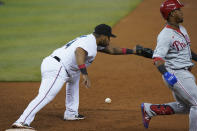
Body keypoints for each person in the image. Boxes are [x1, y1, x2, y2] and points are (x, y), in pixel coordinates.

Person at [11, 24, 141, 130]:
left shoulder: (92, 41)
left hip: (61, 65)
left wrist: (133, 51)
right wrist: (85, 73)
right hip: (57, 67)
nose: (109, 40)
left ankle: (71, 113)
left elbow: (112, 50)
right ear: (102, 36)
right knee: (46, 95)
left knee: (73, 79)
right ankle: (21, 122)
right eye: (108, 37)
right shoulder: (89, 42)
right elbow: (79, 52)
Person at [140, 0, 197, 130]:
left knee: (185, 107)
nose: (182, 12)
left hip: (185, 73)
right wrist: (167, 75)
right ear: (171, 14)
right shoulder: (165, 35)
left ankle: (150, 109)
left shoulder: (182, 29)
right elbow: (157, 59)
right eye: (179, 10)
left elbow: (187, 51)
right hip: (176, 74)